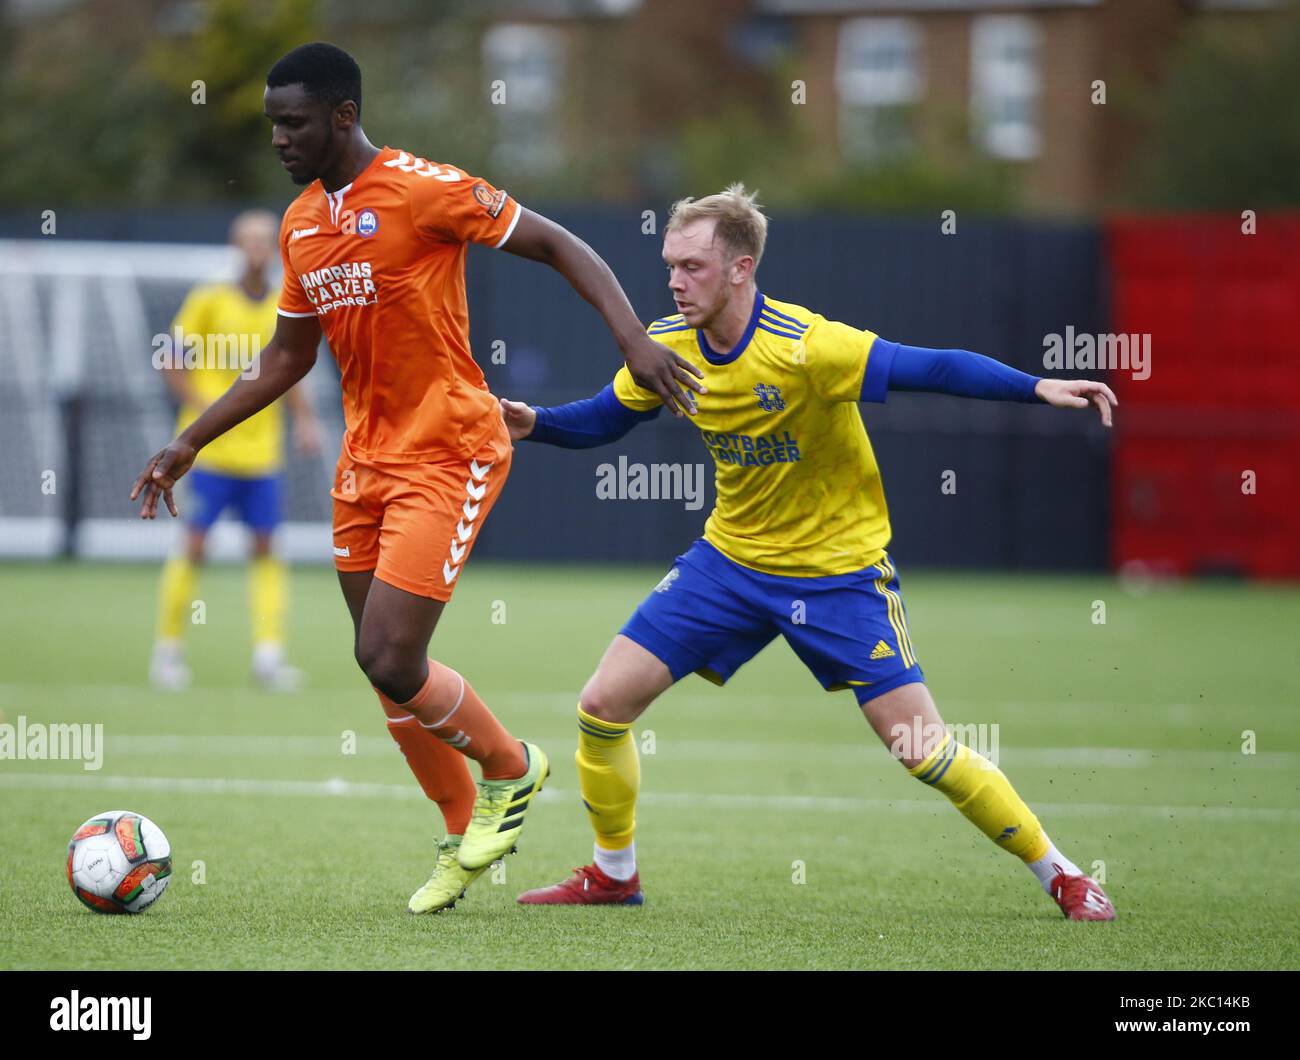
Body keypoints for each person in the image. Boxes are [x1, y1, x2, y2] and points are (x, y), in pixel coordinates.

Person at [131, 42, 704, 916]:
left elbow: (556, 242)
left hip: (451, 446)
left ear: (344, 117)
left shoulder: (424, 188)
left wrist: (633, 339)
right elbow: (287, 357)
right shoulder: (300, 224)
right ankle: (459, 827)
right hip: (366, 461)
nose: (280, 139)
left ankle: (513, 766)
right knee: (386, 669)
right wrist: (191, 440)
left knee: (388, 651)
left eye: (294, 122)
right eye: (272, 124)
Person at [502, 184, 1119, 921]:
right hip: (728, 566)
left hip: (839, 575)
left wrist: (1038, 386)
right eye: (669, 264)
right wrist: (532, 421)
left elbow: (936, 367)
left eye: (692, 266)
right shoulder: (666, 343)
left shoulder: (805, 346)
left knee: (922, 749)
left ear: (741, 267)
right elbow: (605, 420)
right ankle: (614, 875)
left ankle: (1062, 874)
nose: (673, 280)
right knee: (602, 706)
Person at [149, 209, 320, 693]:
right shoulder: (209, 299)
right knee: (196, 545)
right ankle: (168, 650)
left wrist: (305, 421)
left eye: (267, 240)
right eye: (250, 240)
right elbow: (170, 358)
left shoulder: (284, 305)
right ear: (235, 245)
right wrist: (202, 406)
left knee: (266, 548)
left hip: (262, 454)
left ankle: (268, 656)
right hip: (209, 455)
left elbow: (290, 366)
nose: (259, 248)